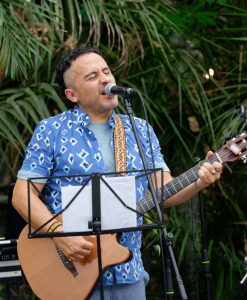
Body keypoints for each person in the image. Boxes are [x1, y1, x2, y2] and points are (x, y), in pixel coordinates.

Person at [12, 46, 223, 300]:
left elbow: (164, 192)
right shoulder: (51, 130)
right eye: (92, 76)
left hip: (128, 273)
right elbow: (22, 195)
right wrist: (60, 235)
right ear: (72, 94)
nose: (106, 79)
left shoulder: (139, 129)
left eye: (106, 71)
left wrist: (200, 181)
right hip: (69, 274)